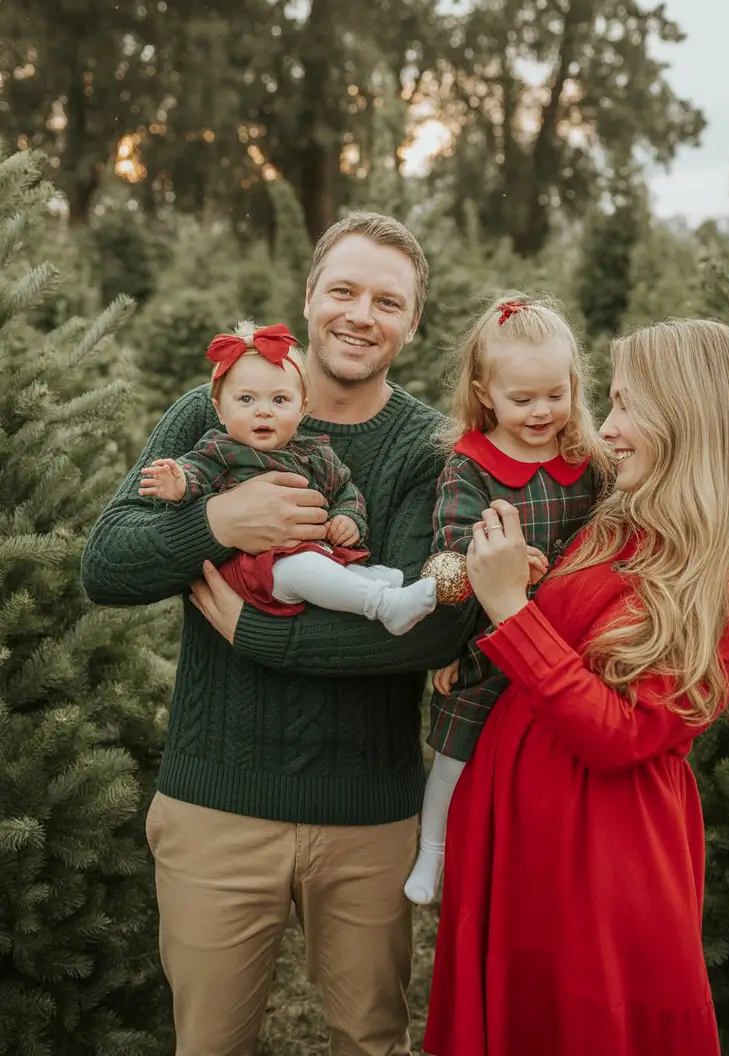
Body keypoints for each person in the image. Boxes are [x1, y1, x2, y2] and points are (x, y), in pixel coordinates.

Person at [80, 211, 480, 1056]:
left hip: (367, 817)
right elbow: (107, 564)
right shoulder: (215, 408)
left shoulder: (426, 448)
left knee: (369, 1040)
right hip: (215, 802)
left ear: (412, 323)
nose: (359, 315)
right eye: (343, 290)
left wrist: (262, 635)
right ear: (308, 297)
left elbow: (427, 630)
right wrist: (219, 520)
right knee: (209, 1043)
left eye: (386, 300)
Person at [423, 318, 729, 1056]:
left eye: (628, 406)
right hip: (507, 828)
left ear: (687, 415)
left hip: (602, 859)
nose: (606, 427)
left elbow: (620, 733)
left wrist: (509, 607)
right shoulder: (621, 518)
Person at [403, 295, 611, 904]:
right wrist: (494, 565)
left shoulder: (587, 462)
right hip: (490, 634)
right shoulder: (471, 465)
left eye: (556, 394)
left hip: (570, 638)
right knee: (455, 747)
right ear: (485, 392)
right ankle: (432, 850)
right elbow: (452, 545)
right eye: (523, 399)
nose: (542, 411)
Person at [139, 319, 437, 633]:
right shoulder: (220, 450)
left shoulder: (315, 454)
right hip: (258, 569)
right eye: (246, 399)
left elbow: (344, 491)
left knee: (321, 568)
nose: (263, 411)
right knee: (302, 570)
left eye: (279, 400)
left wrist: (348, 517)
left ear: (301, 408)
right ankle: (385, 605)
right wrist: (178, 483)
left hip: (307, 552)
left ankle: (378, 584)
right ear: (220, 409)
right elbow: (196, 472)